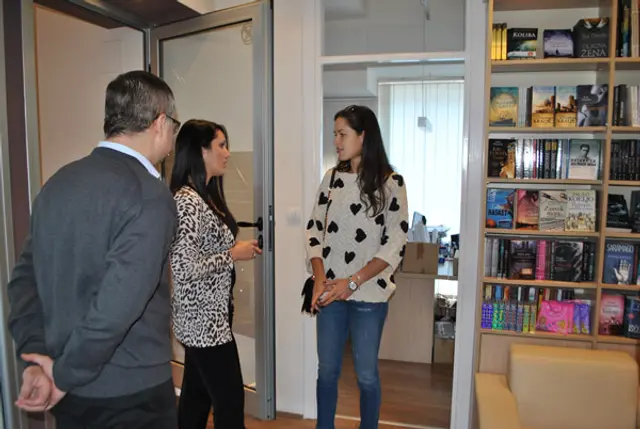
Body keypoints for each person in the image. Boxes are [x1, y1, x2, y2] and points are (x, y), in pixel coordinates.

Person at [6, 70, 180, 428]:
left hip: (71, 393)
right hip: (132, 396)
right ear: (160, 123)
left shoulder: (58, 183)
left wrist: (38, 358)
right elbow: (118, 306)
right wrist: (64, 375)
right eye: (174, 126)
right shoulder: (149, 194)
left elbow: (24, 283)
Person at [306, 105, 409, 429]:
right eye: (334, 134)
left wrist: (352, 282)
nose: (336, 141)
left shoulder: (391, 183)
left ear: (363, 136)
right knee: (327, 372)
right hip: (330, 293)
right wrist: (319, 278)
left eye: (342, 134)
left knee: (366, 376)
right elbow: (314, 230)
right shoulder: (331, 179)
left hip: (369, 295)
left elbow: (394, 243)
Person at [169, 119, 260, 429]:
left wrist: (232, 251)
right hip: (204, 324)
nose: (228, 153)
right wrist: (233, 254)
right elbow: (184, 267)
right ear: (201, 151)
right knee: (230, 402)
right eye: (221, 145)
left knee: (195, 399)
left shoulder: (203, 195)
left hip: (209, 319)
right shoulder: (187, 202)